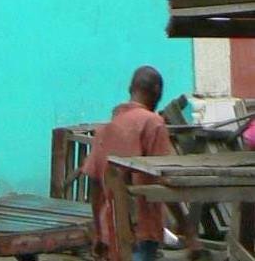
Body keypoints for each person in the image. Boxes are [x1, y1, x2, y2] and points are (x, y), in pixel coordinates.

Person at [83, 66, 198, 261]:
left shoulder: (105, 129)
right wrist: (189, 232)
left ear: (130, 88)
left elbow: (94, 183)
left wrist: (97, 230)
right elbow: (163, 181)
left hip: (110, 230)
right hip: (140, 230)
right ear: (157, 91)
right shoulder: (153, 123)